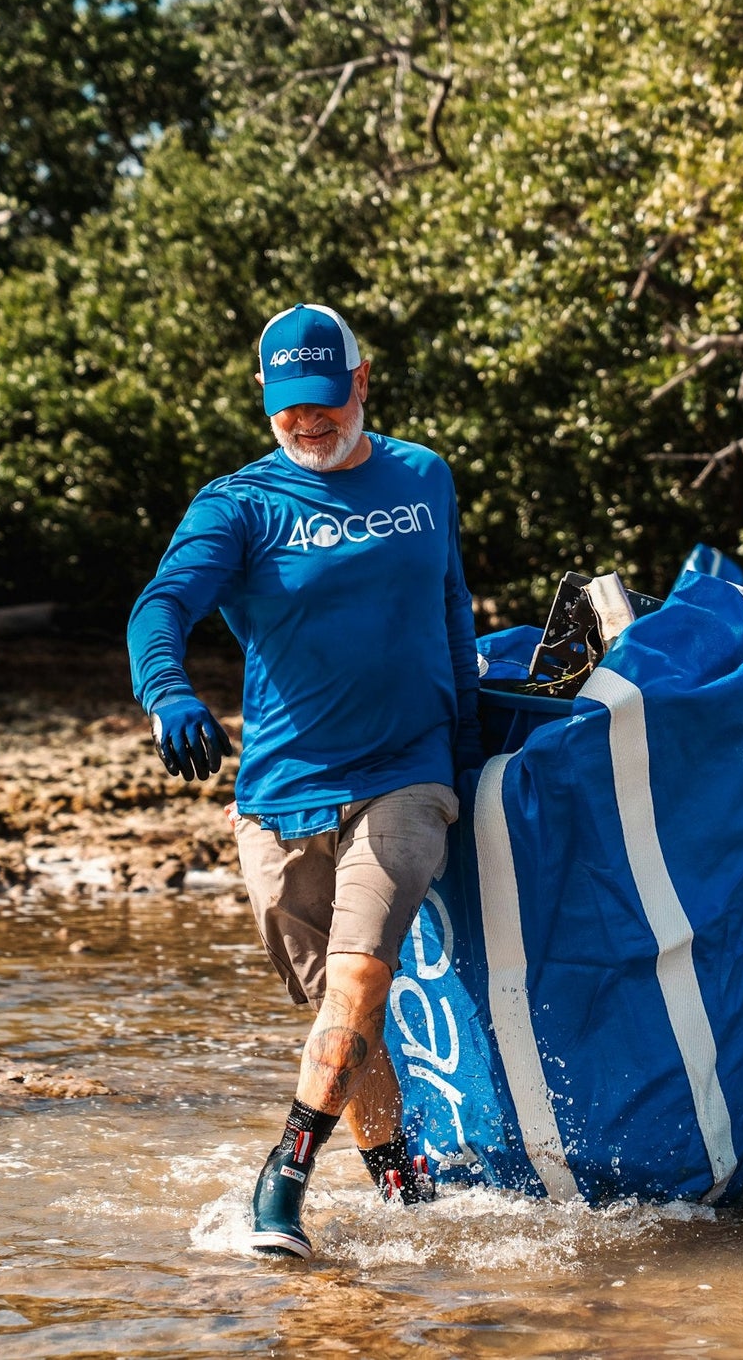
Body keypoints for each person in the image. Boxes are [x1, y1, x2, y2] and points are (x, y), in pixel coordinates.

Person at [127, 303, 481, 1258]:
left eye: (325, 399)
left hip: (407, 775)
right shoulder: (239, 505)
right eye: (289, 405)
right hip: (281, 795)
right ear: (263, 396)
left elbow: (452, 607)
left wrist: (468, 747)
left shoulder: (423, 478)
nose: (308, 420)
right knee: (343, 1011)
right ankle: (405, 1188)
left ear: (361, 382)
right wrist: (167, 690)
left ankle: (282, 1178)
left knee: (362, 977)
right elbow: (161, 606)